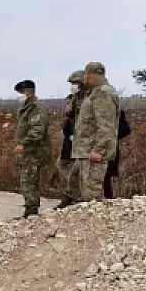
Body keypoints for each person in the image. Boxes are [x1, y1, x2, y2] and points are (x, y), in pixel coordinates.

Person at [70, 61, 121, 202]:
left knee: (92, 197)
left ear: (91, 75)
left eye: (86, 75)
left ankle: (97, 223)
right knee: (83, 194)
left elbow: (106, 125)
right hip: (85, 151)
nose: (85, 78)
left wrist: (99, 150)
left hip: (93, 152)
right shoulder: (94, 93)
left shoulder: (103, 94)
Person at [12, 80, 52, 217]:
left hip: (34, 152)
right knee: (28, 181)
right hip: (28, 152)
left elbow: (37, 131)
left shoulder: (36, 108)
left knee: (28, 181)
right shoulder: (27, 107)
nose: (20, 95)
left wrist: (23, 143)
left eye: (21, 92)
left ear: (28, 91)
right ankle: (30, 209)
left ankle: (31, 211)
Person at [55, 70, 88, 208]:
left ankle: (72, 195)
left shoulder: (88, 99)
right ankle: (74, 193)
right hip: (71, 140)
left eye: (75, 83)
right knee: (62, 163)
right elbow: (69, 118)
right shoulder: (75, 99)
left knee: (77, 170)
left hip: (83, 142)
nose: (73, 86)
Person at [103, 109, 132, 199]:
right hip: (108, 147)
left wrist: (111, 137)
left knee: (105, 177)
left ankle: (108, 202)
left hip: (108, 148)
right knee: (105, 178)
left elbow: (126, 130)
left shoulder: (116, 111)